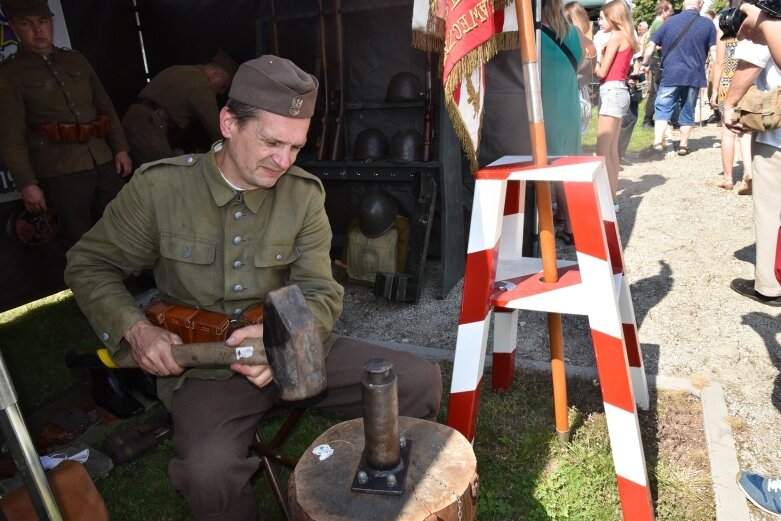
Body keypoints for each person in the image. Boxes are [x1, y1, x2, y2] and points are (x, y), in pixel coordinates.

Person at [64, 55, 443, 520]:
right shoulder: (160, 191)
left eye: (296, 148)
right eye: (271, 142)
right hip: (208, 372)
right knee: (208, 473)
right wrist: (135, 330)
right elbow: (88, 265)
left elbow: (320, 293)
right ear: (228, 122)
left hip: (299, 353)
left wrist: (284, 343)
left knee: (419, 380)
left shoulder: (303, 196)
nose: (283, 161)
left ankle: (384, 499)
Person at [0, 0, 132, 245]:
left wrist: (120, 148)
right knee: (82, 242)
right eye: (27, 24)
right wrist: (27, 183)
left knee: (126, 228)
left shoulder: (76, 61)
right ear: (14, 27)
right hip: (60, 173)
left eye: (42, 22)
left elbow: (105, 106)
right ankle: (94, 285)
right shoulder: (10, 75)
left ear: (51, 23)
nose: (38, 30)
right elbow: (10, 138)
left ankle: (136, 283)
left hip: (102, 161)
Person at [722, 1, 781, 307]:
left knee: (770, 211)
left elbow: (750, 64)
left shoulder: (767, 19)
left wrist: (729, 105)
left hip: (777, 135)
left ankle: (769, 286)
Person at [121, 49, 238, 166]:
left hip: (129, 126)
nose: (222, 92)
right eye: (223, 86)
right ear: (217, 75)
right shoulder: (201, 85)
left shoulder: (178, 70)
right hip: (148, 134)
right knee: (167, 177)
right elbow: (218, 130)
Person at [640, 0, 716, 158]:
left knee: (662, 109)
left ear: (683, 4)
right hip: (694, 75)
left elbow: (651, 46)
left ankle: (657, 144)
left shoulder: (668, 22)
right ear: (700, 4)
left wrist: (645, 63)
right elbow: (714, 54)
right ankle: (683, 146)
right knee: (688, 111)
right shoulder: (708, 25)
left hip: (671, 74)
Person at [541, 0, 583, 245]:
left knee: (544, 166)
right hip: (568, 105)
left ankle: (543, 225)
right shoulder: (574, 31)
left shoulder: (533, 33)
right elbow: (584, 63)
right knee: (567, 166)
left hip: (545, 106)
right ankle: (570, 224)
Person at [594, 0, 636, 209]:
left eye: (602, 18)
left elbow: (601, 72)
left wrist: (592, 59)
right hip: (619, 90)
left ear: (614, 17)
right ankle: (610, 199)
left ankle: (605, 200)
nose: (599, 21)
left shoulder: (616, 36)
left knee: (602, 149)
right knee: (612, 151)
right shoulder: (627, 36)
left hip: (611, 90)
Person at [711, 10, 752, 193]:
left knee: (727, 131)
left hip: (728, 81)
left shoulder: (725, 23)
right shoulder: (753, 20)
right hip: (748, 79)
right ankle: (748, 172)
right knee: (747, 129)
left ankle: (728, 178)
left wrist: (715, 90)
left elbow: (719, 62)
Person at [641, 1, 674, 129]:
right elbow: (657, 44)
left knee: (655, 91)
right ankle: (648, 120)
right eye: (670, 10)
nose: (671, 13)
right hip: (657, 61)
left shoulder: (656, 23)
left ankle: (650, 119)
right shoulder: (659, 24)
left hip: (655, 61)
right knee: (656, 92)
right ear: (664, 10)